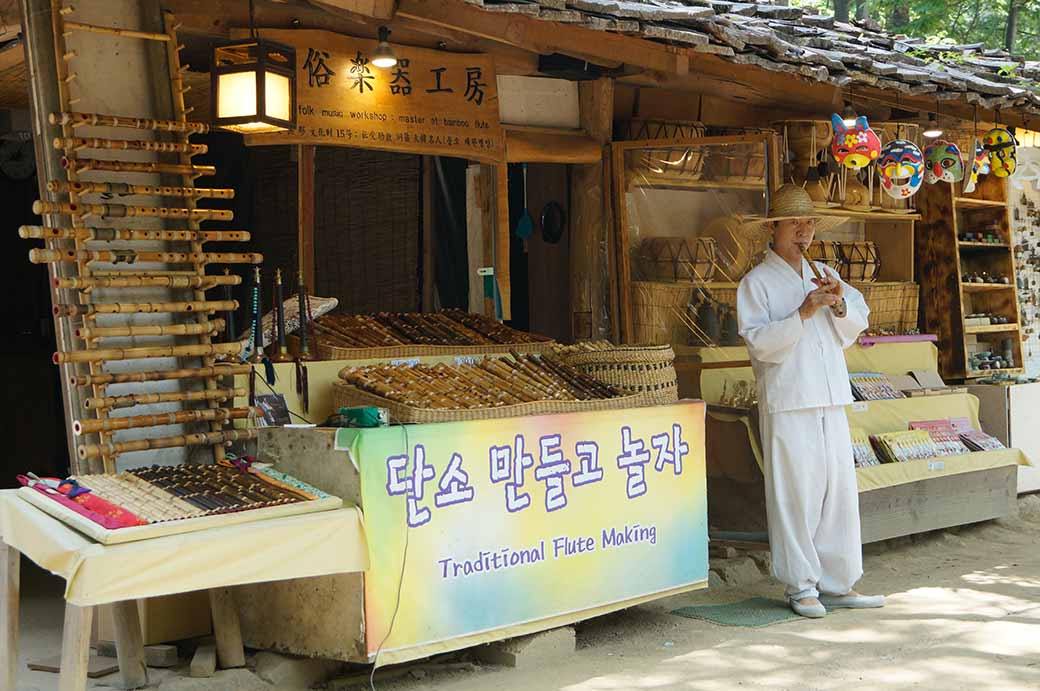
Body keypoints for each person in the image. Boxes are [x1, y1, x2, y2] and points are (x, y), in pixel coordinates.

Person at [736, 184, 885, 619]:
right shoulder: (757, 282)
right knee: (795, 494)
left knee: (838, 492)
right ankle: (800, 585)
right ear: (775, 227)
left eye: (809, 223)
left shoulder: (824, 272)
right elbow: (760, 344)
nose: (804, 231)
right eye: (795, 223)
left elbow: (857, 320)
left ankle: (838, 582)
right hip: (788, 398)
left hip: (830, 395)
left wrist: (838, 305)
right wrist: (801, 312)